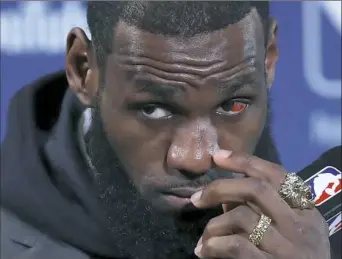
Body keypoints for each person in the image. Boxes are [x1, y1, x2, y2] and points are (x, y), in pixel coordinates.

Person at [0, 2, 335, 259]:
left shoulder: (318, 230)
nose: (195, 159)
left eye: (232, 106)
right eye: (153, 109)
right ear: (84, 69)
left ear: (268, 61)